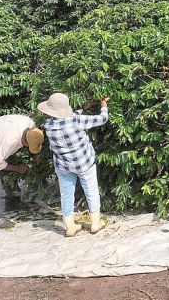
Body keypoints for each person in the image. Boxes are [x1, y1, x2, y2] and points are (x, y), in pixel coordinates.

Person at [39, 92, 110, 237]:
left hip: (63, 166)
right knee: (91, 191)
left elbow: (65, 118)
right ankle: (95, 224)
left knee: (66, 195)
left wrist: (81, 108)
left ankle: (70, 227)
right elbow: (103, 118)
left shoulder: (47, 125)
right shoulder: (77, 121)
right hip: (84, 163)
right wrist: (103, 104)